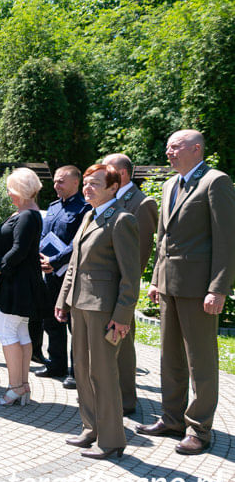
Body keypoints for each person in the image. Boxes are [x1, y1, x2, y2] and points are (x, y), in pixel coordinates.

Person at [137, 129, 235, 455]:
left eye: (175, 147)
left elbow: (226, 240)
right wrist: (155, 279)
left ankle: (199, 429)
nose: (169, 153)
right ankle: (172, 419)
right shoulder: (168, 185)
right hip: (168, 287)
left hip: (198, 291)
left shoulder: (216, 182)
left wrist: (218, 288)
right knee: (170, 357)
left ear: (196, 149)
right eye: (167, 148)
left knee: (201, 362)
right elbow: (163, 238)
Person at [56, 164, 140, 459]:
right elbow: (75, 264)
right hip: (79, 305)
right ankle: (90, 428)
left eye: (94, 184)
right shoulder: (89, 215)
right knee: (81, 369)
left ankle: (112, 440)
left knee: (103, 374)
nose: (87, 188)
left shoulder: (121, 220)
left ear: (113, 188)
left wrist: (122, 317)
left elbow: (131, 277)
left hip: (104, 310)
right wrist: (62, 299)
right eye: (86, 183)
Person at [102, 153, 159, 416]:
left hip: (121, 286)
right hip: (101, 284)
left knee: (122, 344)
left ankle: (126, 400)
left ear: (121, 173)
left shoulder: (141, 203)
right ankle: (108, 393)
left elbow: (139, 254)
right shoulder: (106, 197)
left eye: (107, 168)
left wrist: (125, 289)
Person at [0, 168, 47, 405]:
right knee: (21, 332)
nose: (9, 194)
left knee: (7, 332)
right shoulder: (29, 213)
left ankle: (15, 387)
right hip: (23, 283)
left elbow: (18, 250)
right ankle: (23, 385)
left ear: (21, 190)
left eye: (11, 189)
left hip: (15, 284)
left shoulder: (26, 216)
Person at [37, 165, 91, 388]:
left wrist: (56, 261)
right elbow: (44, 234)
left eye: (61, 181)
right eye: (55, 181)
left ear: (75, 183)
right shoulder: (53, 206)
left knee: (73, 325)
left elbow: (78, 242)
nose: (56, 185)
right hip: (50, 273)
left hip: (71, 274)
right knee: (51, 320)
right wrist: (42, 259)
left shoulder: (84, 208)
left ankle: (76, 371)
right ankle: (56, 363)